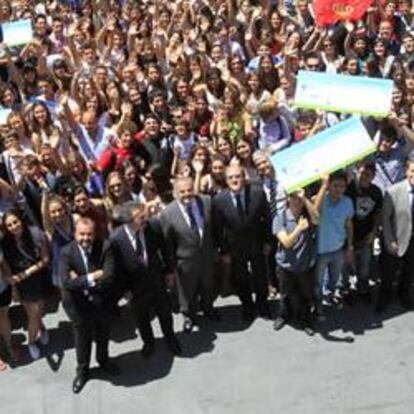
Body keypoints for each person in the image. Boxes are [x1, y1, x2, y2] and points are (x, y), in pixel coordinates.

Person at [110, 202, 181, 357]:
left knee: (164, 312)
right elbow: (116, 269)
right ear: (129, 220)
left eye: (145, 216)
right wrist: (124, 291)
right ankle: (148, 342)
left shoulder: (153, 226)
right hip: (135, 287)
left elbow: (164, 248)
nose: (145, 219)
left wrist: (169, 271)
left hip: (157, 280)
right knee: (141, 317)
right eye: (141, 217)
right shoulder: (116, 239)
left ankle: (170, 337)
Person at [59, 217, 118, 394]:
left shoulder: (106, 247)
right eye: (82, 234)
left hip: (102, 302)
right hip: (78, 306)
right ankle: (83, 371)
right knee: (82, 340)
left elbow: (109, 276)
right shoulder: (66, 252)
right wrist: (93, 277)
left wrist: (80, 280)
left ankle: (103, 361)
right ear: (75, 234)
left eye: (89, 234)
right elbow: (66, 283)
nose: (86, 238)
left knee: (103, 335)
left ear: (95, 234)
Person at [213, 164, 272, 321]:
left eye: (238, 176)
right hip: (235, 247)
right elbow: (217, 229)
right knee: (241, 278)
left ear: (244, 177)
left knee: (260, 275)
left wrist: (267, 241)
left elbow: (267, 218)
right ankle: (247, 305)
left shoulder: (257, 193)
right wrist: (224, 251)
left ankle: (262, 303)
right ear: (226, 180)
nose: (235, 180)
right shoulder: (219, 200)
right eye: (231, 177)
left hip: (257, 242)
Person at [160, 176, 219, 332]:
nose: (187, 194)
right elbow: (167, 244)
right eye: (182, 191)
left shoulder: (206, 201)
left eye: (189, 190)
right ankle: (189, 316)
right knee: (187, 291)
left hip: (206, 255)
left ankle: (208, 309)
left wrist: (219, 250)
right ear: (175, 194)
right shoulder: (167, 214)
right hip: (184, 261)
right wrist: (171, 268)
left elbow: (215, 228)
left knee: (208, 286)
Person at [1, 209, 50, 361]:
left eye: (15, 222)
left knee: (39, 310)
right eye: (9, 225)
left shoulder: (35, 233)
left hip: (38, 278)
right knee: (33, 313)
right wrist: (12, 283)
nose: (13, 227)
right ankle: (31, 342)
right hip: (22, 283)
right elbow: (6, 265)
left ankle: (40, 327)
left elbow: (45, 259)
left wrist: (28, 272)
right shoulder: (5, 242)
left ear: (20, 220)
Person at [273, 190, 319, 335]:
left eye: (299, 197)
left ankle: (305, 320)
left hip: (305, 265)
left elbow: (318, 220)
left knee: (305, 295)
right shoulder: (280, 218)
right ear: (288, 198)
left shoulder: (307, 215)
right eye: (293, 196)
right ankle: (284, 315)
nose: (297, 200)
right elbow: (286, 242)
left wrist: (305, 198)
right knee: (285, 294)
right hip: (285, 266)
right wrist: (299, 228)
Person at [313, 172, 355, 319]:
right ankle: (318, 306)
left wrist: (349, 246)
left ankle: (330, 295)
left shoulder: (348, 202)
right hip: (321, 251)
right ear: (329, 185)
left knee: (333, 278)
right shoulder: (320, 199)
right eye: (335, 185)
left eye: (342, 186)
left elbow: (349, 225)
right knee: (318, 282)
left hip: (338, 249)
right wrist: (323, 186)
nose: (338, 189)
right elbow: (314, 214)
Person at [378, 152, 414, 312]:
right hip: (396, 240)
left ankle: (403, 294)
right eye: (413, 171)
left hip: (413, 242)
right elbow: (385, 219)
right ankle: (384, 297)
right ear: (406, 171)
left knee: (409, 271)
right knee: (388, 273)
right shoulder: (393, 191)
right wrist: (389, 241)